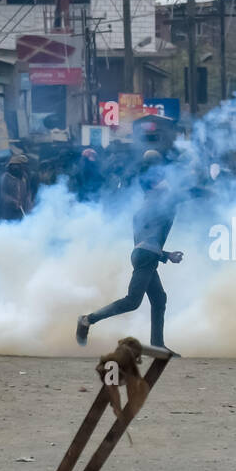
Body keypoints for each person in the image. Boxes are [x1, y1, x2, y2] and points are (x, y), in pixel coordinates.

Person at [77, 150, 183, 354]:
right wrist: (166, 255)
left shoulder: (146, 208)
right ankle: (87, 320)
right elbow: (148, 242)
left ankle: (157, 345)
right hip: (146, 257)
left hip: (146, 256)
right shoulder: (155, 206)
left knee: (159, 299)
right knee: (132, 302)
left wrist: (165, 254)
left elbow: (145, 242)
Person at [0, 154, 29, 221]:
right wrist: (13, 201)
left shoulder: (24, 176)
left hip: (22, 210)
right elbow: (3, 195)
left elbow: (28, 191)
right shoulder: (6, 177)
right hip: (9, 211)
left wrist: (28, 201)